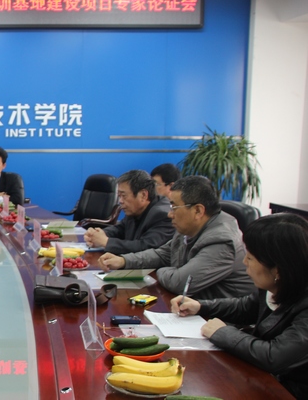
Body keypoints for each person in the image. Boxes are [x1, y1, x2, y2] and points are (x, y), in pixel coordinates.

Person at [171, 214, 308, 398]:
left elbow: (273, 356)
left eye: (250, 258)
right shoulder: (276, 284)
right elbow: (246, 307)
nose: (244, 262)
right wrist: (200, 306)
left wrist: (223, 332)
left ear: (277, 270)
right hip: (264, 378)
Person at [98, 176, 254, 300]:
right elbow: (162, 254)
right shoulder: (189, 226)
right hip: (189, 306)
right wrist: (124, 261)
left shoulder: (221, 240)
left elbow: (180, 283)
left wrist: (160, 270)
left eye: (174, 207)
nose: (169, 214)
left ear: (198, 211)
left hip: (217, 319)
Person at [84, 170, 174, 254]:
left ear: (143, 195)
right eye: (119, 196)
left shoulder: (163, 215)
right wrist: (99, 234)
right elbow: (120, 229)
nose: (120, 201)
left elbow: (146, 247)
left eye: (124, 196)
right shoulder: (135, 209)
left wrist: (106, 242)